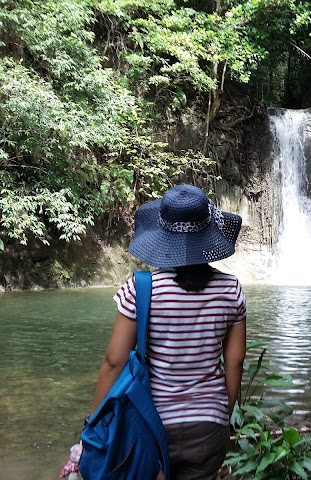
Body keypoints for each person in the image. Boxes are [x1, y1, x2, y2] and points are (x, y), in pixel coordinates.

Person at [89, 184, 246, 480]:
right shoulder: (231, 290)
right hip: (209, 424)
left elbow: (114, 361)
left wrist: (95, 423)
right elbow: (235, 362)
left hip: (152, 424)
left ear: (162, 237)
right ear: (209, 234)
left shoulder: (141, 289)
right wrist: (223, 419)